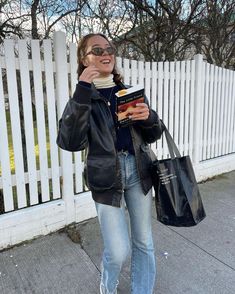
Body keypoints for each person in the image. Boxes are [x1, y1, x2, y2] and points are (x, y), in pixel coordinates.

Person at [57, 33, 163, 294]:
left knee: (144, 242)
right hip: (105, 178)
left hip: (138, 171)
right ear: (85, 58)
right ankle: (107, 287)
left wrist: (148, 117)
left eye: (109, 48)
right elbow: (70, 142)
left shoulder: (128, 93)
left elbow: (154, 134)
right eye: (97, 50)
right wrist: (82, 91)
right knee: (117, 251)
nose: (106, 53)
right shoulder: (84, 98)